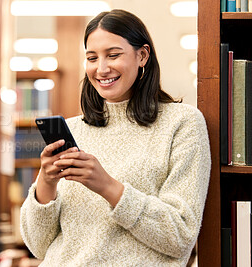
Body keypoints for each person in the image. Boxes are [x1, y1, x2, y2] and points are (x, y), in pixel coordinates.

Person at [20, 9, 211, 266]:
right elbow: (38, 246)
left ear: (142, 55)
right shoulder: (73, 129)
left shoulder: (183, 123)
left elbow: (180, 236)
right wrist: (46, 182)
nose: (101, 68)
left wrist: (108, 187)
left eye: (113, 55)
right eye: (91, 57)